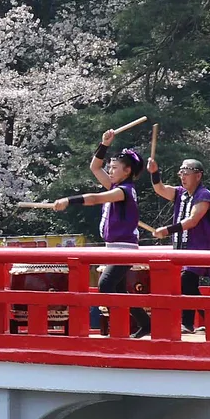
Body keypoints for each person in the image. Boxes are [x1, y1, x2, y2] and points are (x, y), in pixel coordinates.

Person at [53, 130, 149, 337]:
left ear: (127, 171)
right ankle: (143, 324)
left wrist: (69, 200)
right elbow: (95, 167)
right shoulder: (116, 186)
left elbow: (95, 199)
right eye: (111, 167)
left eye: (115, 168)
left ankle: (127, 325)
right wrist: (104, 144)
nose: (110, 170)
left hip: (125, 248)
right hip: (114, 247)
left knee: (106, 285)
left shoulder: (124, 190)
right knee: (118, 289)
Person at [149, 157, 210, 332]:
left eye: (186, 173)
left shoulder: (204, 195)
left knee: (187, 281)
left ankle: (189, 323)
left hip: (198, 247)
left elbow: (193, 220)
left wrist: (167, 230)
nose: (183, 177)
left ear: (198, 176)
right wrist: (154, 172)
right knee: (189, 285)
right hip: (181, 248)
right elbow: (160, 189)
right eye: (181, 173)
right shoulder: (180, 193)